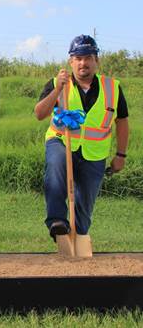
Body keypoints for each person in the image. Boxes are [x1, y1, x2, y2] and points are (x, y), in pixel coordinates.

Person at [34, 34, 128, 239]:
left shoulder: (112, 87)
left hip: (94, 153)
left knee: (84, 207)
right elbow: (39, 114)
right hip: (61, 141)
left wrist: (121, 155)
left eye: (88, 58)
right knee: (56, 166)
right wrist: (57, 89)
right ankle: (57, 221)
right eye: (78, 58)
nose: (83, 63)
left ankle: (78, 237)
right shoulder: (57, 83)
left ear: (96, 60)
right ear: (71, 61)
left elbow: (122, 121)